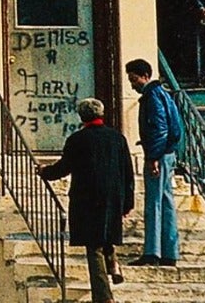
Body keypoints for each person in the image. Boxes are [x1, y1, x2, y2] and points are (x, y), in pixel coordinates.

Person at [39, 97, 135, 303]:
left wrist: (44, 172)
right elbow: (128, 171)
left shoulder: (77, 140)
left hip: (87, 198)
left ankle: (103, 296)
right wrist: (128, 201)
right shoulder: (118, 138)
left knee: (94, 247)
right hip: (113, 196)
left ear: (82, 117)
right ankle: (114, 264)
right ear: (102, 114)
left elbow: (64, 168)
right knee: (107, 232)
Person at [125, 58, 183, 267]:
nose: (132, 84)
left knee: (155, 202)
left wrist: (153, 157)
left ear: (145, 76)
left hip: (159, 155)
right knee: (166, 201)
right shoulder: (163, 94)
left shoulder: (152, 96)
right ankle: (169, 251)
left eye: (134, 79)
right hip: (167, 153)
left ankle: (152, 251)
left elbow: (160, 128)